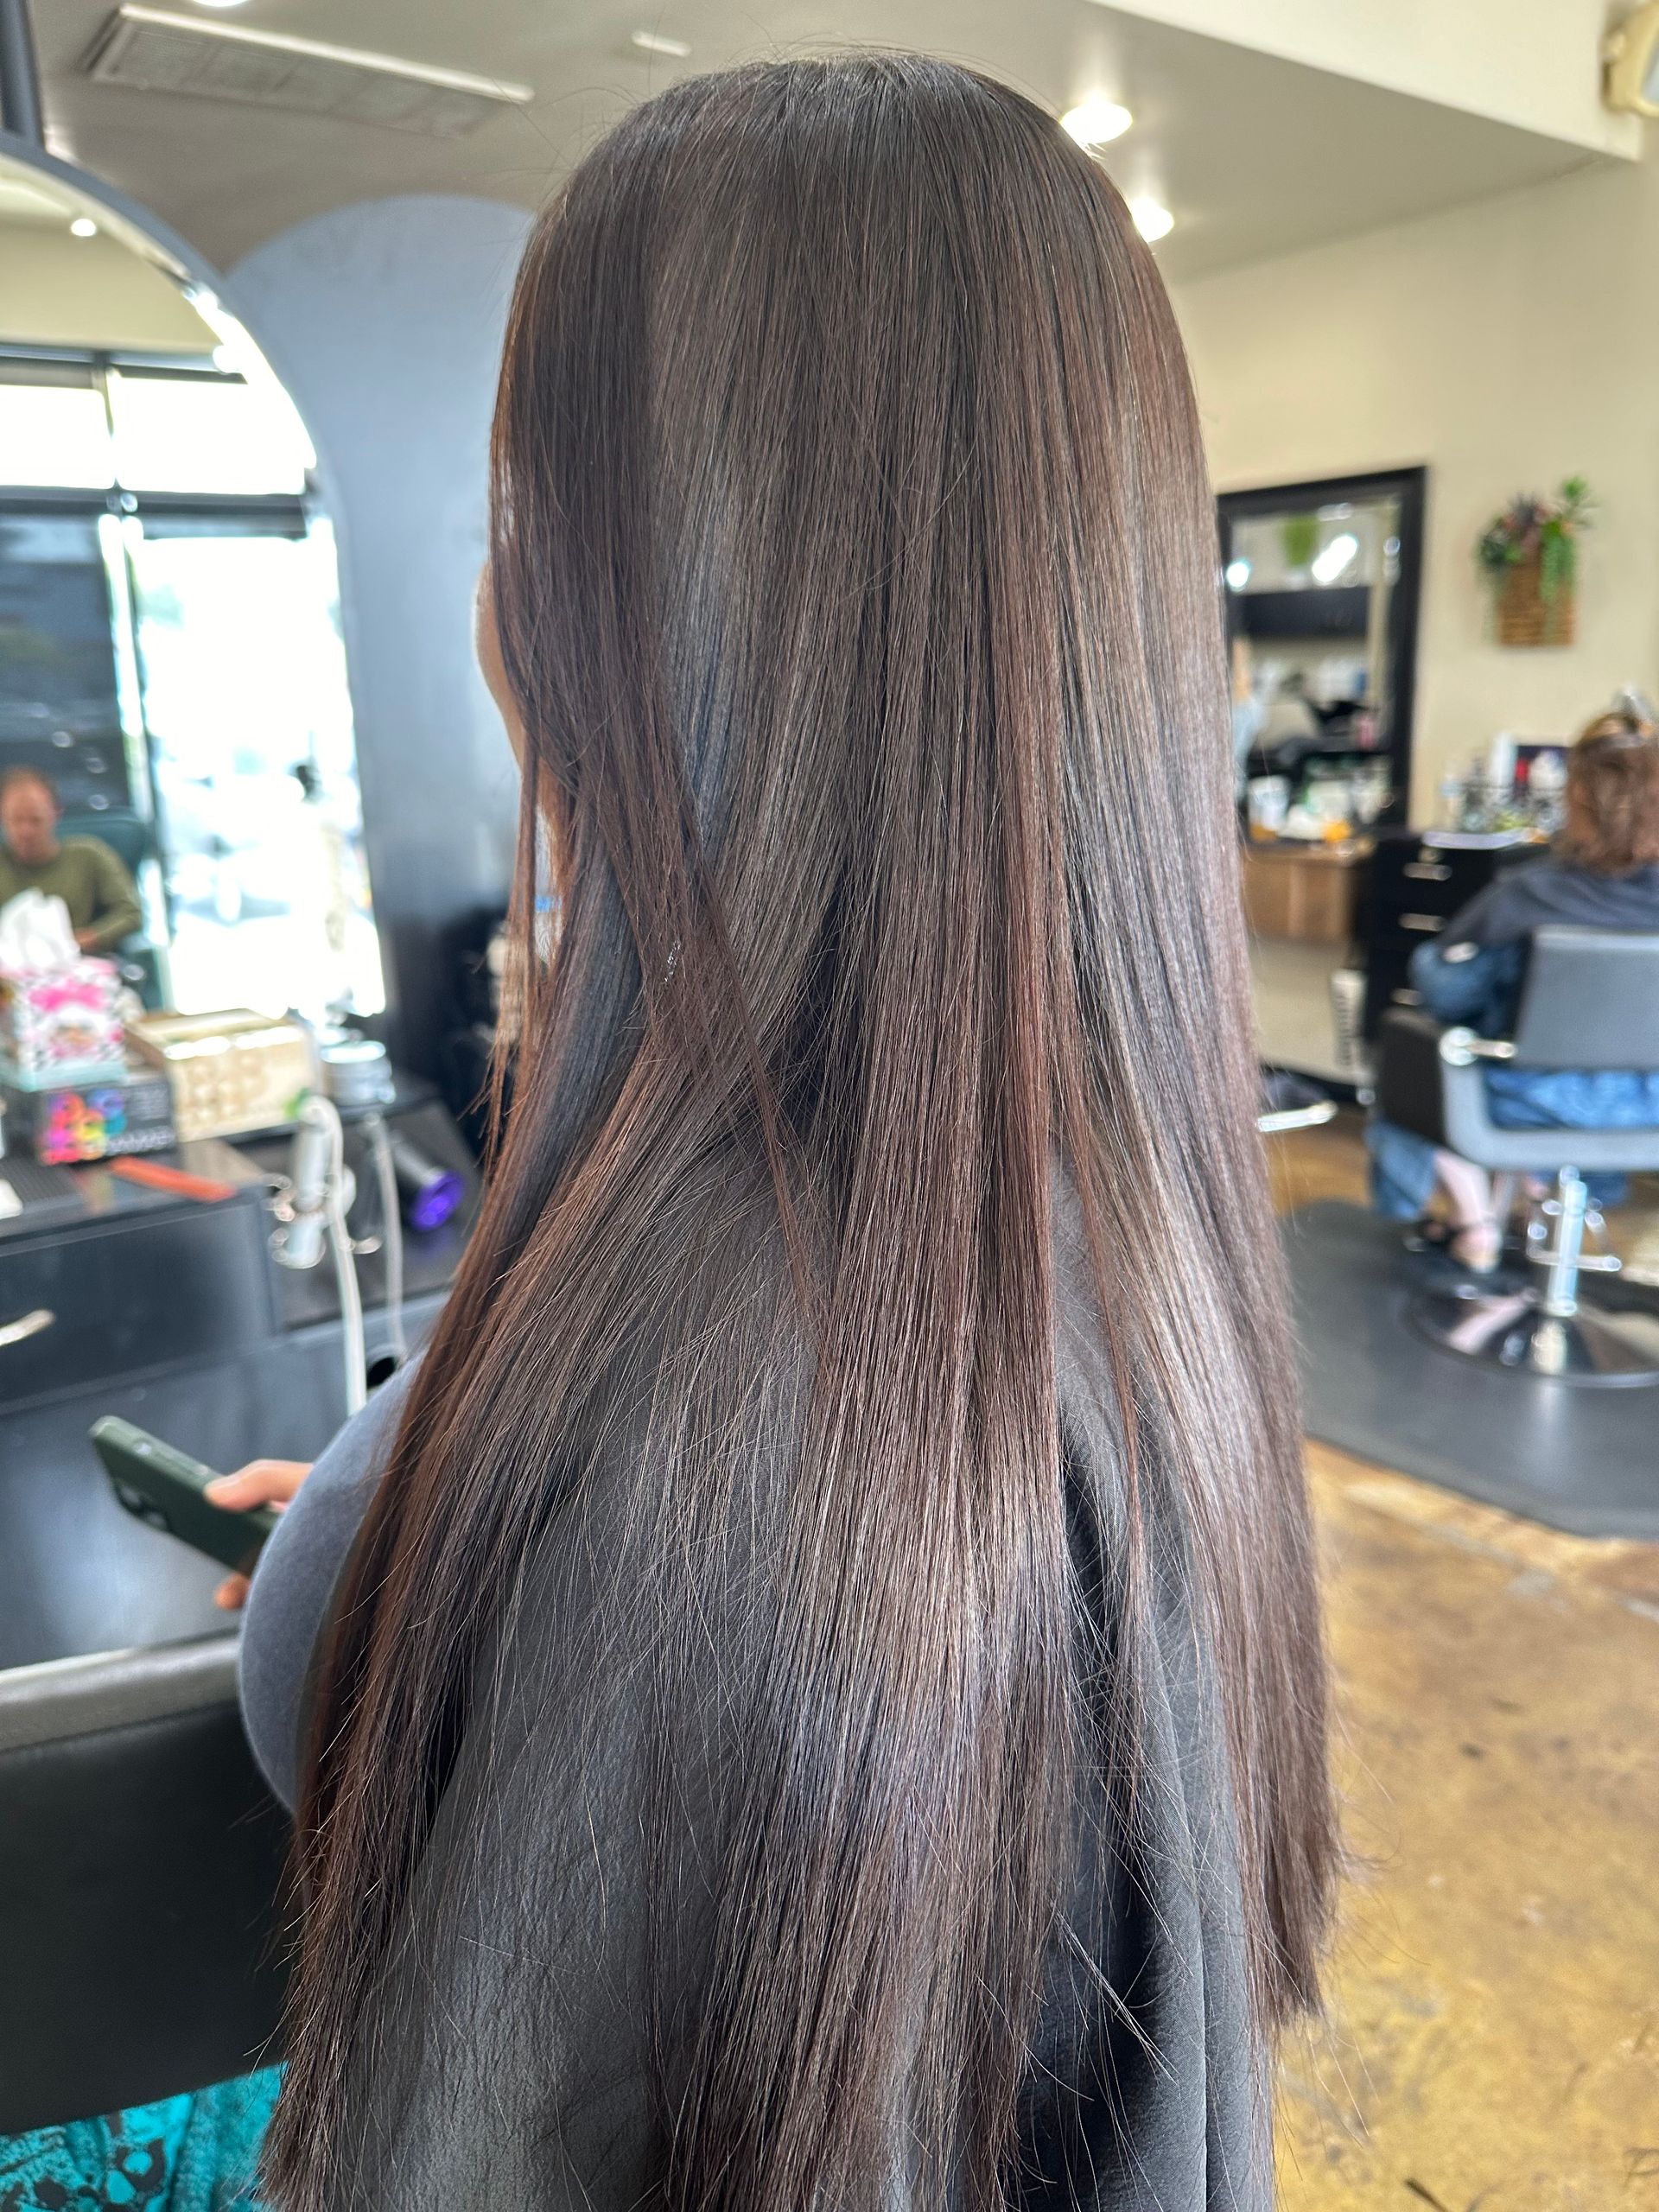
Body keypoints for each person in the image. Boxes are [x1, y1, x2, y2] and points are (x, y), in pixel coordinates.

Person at [223, 58, 1334, 2212]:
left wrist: (527, 1530)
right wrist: (409, 1502)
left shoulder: (740, 1443)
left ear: (639, 607)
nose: (496, 605)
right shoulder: (1115, 1225)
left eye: (522, 522)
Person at [1368, 709, 1659, 1268]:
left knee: (1417, 1060)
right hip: (1644, 1103)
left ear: (1579, 798)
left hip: (1537, 1100)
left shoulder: (1533, 895)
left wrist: (1437, 960)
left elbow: (1446, 993)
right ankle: (1535, 1196)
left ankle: (1475, 1222)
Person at [0, 766, 143, 954]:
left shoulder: (89, 855)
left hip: (76, 967)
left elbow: (131, 914)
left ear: (56, 813)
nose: (26, 831)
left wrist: (85, 939)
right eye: (17, 820)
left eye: (35, 820)